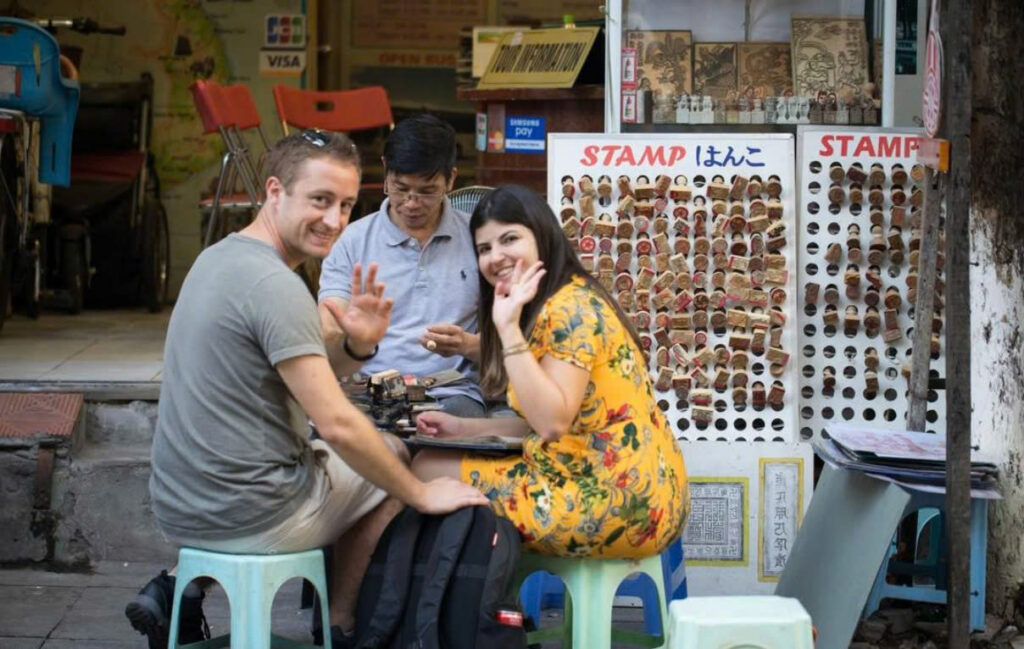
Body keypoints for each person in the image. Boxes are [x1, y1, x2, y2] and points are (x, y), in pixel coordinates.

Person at [125, 130, 487, 648]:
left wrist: (359, 345)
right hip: (252, 511)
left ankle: (180, 587)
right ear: (275, 191)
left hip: (179, 504)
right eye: (320, 200)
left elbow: (306, 373)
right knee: (392, 460)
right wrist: (422, 494)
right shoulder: (278, 287)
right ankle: (340, 626)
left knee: (359, 453)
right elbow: (338, 423)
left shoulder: (216, 259)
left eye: (345, 204)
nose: (334, 220)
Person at [410, 184, 690, 557]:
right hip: (651, 496)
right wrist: (463, 428)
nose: (496, 257)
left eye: (510, 239)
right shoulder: (571, 294)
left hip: (607, 506)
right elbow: (558, 423)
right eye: (484, 248)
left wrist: (508, 328)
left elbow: (551, 424)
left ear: (542, 236)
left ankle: (450, 590)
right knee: (437, 463)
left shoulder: (566, 311)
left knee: (424, 469)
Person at [319, 114, 485, 417]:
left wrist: (469, 345)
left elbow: (521, 343)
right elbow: (328, 330)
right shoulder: (352, 241)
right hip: (371, 392)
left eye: (427, 191)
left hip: (452, 393)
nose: (411, 203)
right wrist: (354, 338)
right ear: (385, 171)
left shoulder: (481, 239)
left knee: (449, 431)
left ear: (451, 179)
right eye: (400, 188)